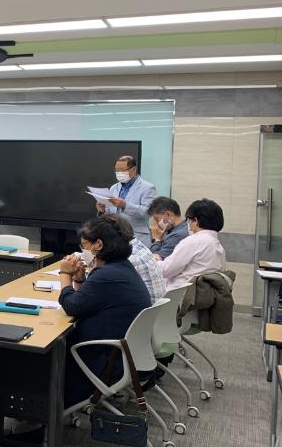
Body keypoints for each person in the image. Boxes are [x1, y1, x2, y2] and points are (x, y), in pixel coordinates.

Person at [58, 216, 150, 408]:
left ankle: (47, 411)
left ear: (98, 245)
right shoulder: (121, 267)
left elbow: (72, 307)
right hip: (122, 356)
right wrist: (80, 279)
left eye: (84, 245)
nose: (82, 251)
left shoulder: (107, 275)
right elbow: (85, 303)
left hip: (102, 360)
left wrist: (64, 274)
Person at [158, 198, 226, 292]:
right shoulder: (218, 246)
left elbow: (166, 270)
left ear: (196, 221)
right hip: (202, 296)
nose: (188, 224)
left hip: (179, 295)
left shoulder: (193, 242)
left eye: (188, 220)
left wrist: (154, 260)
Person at [95, 155, 157, 247]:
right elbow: (111, 212)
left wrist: (125, 205)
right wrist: (103, 210)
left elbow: (147, 213)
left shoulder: (147, 187)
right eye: (117, 170)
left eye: (123, 170)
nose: (119, 173)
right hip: (115, 236)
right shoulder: (114, 187)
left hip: (136, 236)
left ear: (134, 169)